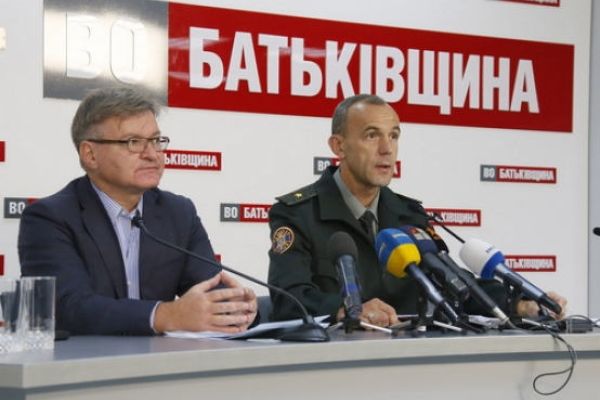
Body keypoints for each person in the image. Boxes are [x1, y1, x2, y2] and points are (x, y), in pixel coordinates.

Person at [268, 94, 566, 327]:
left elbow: (453, 284)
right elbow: (288, 299)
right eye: (372, 135)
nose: (387, 149)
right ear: (339, 146)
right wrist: (346, 309)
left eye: (394, 135)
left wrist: (518, 304)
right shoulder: (297, 214)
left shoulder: (409, 215)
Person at [18, 86, 257, 335]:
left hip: (162, 358)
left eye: (155, 140)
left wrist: (235, 308)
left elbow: (210, 289)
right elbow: (65, 309)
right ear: (90, 155)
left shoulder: (178, 213)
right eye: (133, 142)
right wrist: (165, 315)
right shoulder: (49, 218)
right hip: (86, 358)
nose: (152, 155)